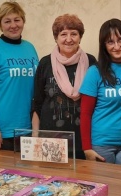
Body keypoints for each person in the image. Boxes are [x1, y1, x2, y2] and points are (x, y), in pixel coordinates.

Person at [79, 18, 121, 167]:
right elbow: (85, 113)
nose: (116, 46)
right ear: (104, 45)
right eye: (110, 42)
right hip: (101, 144)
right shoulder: (94, 72)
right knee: (105, 189)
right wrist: (87, 148)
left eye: (120, 40)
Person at [0, 1, 39, 150]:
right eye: (7, 21)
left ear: (23, 21)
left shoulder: (30, 48)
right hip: (1, 133)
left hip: (28, 130)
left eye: (17, 20)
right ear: (0, 25)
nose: (13, 25)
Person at [32, 14, 97, 160]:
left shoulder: (91, 62)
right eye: (63, 34)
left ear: (80, 37)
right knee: (50, 180)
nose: (69, 39)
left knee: (82, 181)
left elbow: (97, 102)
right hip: (51, 139)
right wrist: (35, 138)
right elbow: (37, 103)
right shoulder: (45, 63)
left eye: (74, 34)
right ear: (56, 38)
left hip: (83, 140)